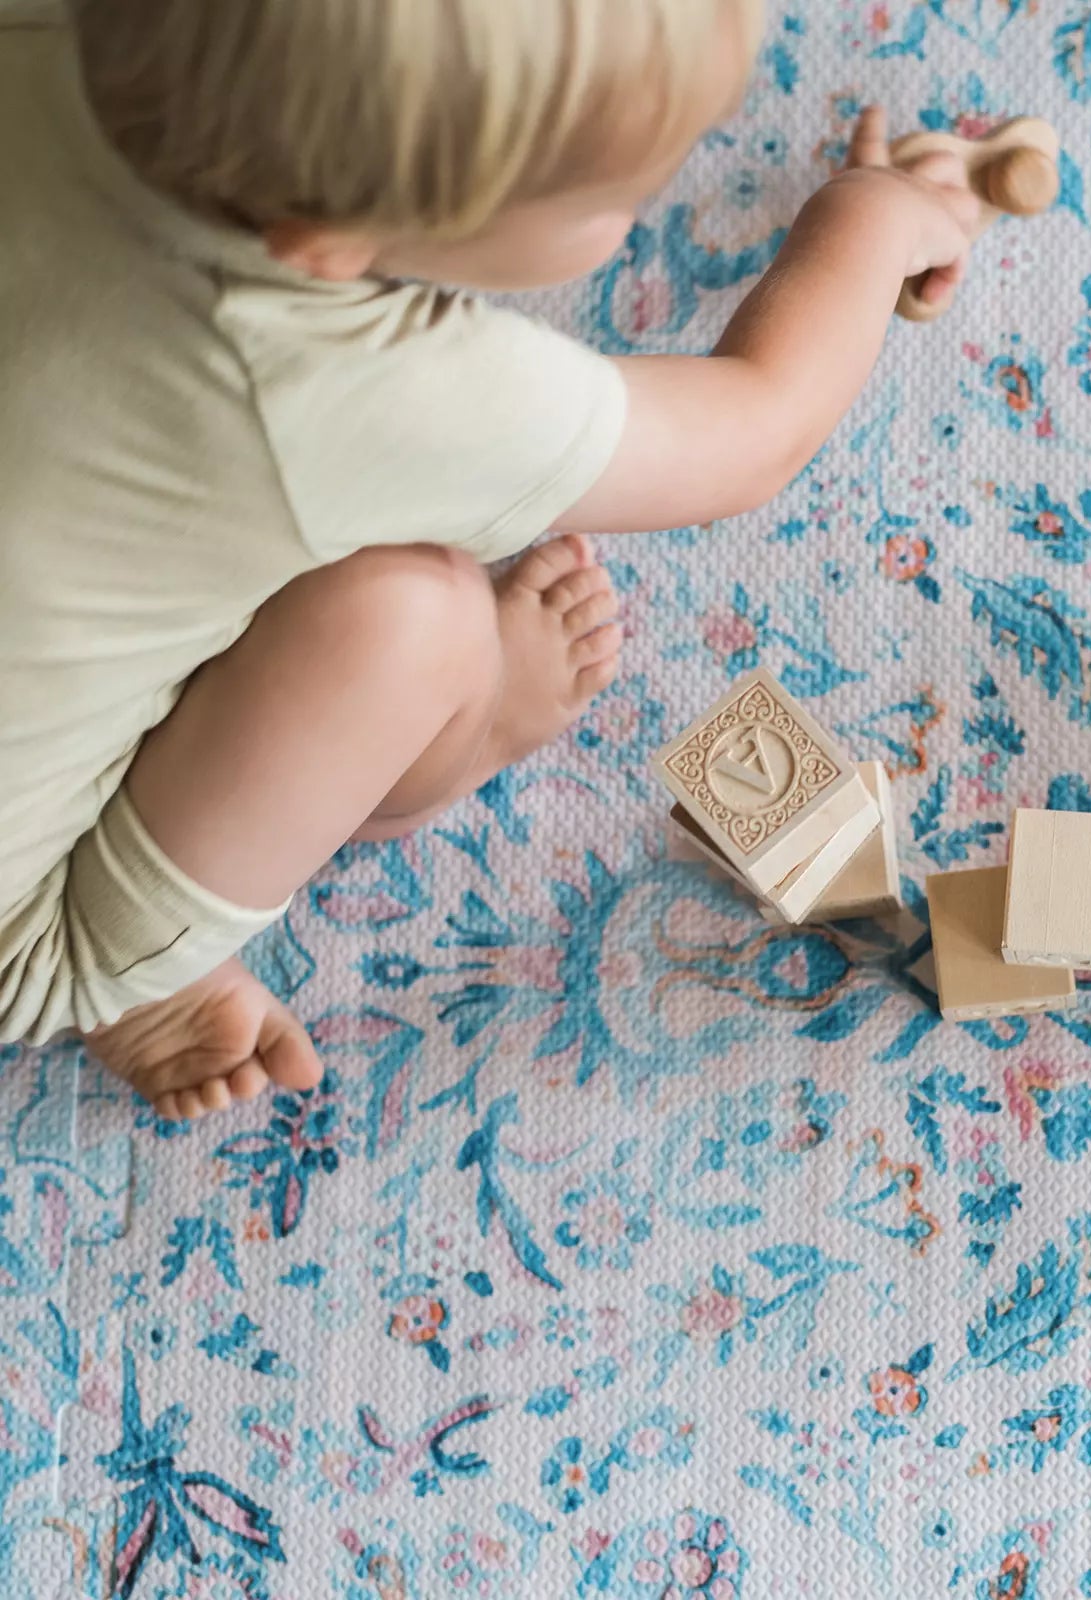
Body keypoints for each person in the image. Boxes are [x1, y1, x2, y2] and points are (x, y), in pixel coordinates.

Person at [0, 0, 983, 1120]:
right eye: (612, 201)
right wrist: (872, 221)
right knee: (410, 614)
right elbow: (756, 429)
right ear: (326, 241)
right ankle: (139, 975)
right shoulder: (354, 379)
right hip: (20, 916)